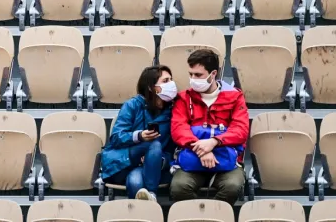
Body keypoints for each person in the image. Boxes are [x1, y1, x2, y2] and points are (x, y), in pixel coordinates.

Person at [169, 49, 249, 204]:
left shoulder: (235, 97)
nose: (193, 79)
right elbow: (178, 129)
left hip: (225, 161)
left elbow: (240, 130)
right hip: (192, 159)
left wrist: (213, 142)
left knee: (232, 186)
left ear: (213, 74)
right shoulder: (184, 98)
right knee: (179, 187)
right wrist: (202, 150)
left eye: (198, 75)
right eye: (190, 74)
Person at [101, 65, 176, 201]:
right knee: (154, 143)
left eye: (171, 80)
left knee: (135, 182)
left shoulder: (173, 111)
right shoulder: (132, 105)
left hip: (152, 167)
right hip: (124, 161)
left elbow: (173, 148)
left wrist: (158, 159)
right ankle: (152, 194)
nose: (171, 84)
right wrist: (139, 136)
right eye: (165, 81)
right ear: (150, 87)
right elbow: (116, 137)